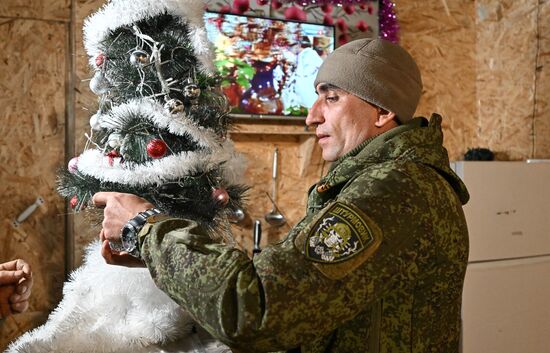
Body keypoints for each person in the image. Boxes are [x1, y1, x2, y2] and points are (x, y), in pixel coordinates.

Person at [93, 38, 470, 352]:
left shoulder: (392, 191)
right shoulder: (393, 180)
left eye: (332, 98)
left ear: (382, 110)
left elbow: (256, 308)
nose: (312, 116)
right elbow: (300, 292)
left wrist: (145, 227)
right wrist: (160, 257)